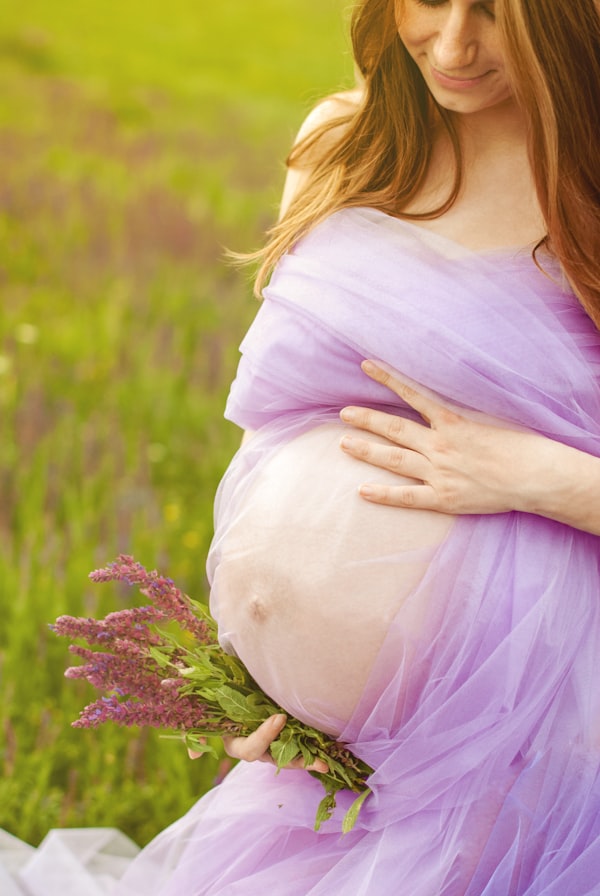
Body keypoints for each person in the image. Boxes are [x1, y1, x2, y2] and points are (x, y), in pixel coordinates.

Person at [10, 0, 599, 892]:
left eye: (495, 12)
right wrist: (262, 665)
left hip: (527, 736)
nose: (452, 44)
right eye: (432, 0)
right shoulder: (345, 142)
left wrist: (537, 475)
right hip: (321, 755)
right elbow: (280, 429)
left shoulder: (587, 179)